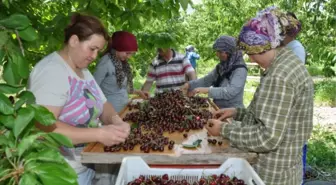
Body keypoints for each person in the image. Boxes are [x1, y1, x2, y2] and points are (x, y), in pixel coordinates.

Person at [205, 6, 314, 185]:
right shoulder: (285, 63)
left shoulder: (280, 76)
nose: (250, 59)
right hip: (285, 169)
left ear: (263, 46)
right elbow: (271, 117)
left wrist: (224, 130)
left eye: (251, 54)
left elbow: (267, 137)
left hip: (271, 175)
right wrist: (236, 112)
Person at [28, 13, 130, 185]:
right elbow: (43, 127)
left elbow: (104, 105)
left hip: (85, 166)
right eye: (92, 48)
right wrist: (99, 133)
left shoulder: (83, 70)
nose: (94, 55)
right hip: (61, 173)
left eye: (98, 50)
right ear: (74, 40)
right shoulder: (52, 71)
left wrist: (116, 121)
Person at [182, 36, 247, 109]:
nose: (217, 54)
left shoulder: (240, 69)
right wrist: (189, 84)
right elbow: (206, 81)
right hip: (217, 108)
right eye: (217, 51)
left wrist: (206, 90)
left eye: (220, 52)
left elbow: (230, 92)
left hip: (233, 112)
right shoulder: (221, 67)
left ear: (229, 52)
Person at [94, 31, 148, 113]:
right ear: (118, 47)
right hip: (110, 113)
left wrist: (138, 92)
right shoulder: (105, 63)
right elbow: (93, 88)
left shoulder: (122, 62)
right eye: (127, 53)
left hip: (124, 107)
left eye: (132, 54)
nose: (129, 57)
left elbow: (122, 87)